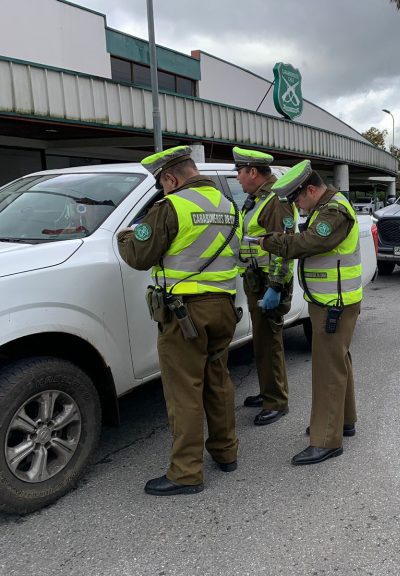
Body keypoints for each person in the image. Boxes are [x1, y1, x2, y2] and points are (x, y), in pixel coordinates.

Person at [117, 145, 241, 496]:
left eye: (161, 183)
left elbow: (139, 256)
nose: (162, 189)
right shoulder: (229, 206)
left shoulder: (171, 206)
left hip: (185, 314)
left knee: (184, 390)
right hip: (223, 308)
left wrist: (125, 235)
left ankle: (186, 473)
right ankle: (226, 452)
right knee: (218, 381)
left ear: (170, 177)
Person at [255, 160, 360, 465]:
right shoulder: (325, 206)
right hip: (333, 300)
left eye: (298, 198)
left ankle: (326, 439)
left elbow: (311, 241)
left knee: (327, 368)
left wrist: (270, 242)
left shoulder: (333, 211)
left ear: (311, 189)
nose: (296, 206)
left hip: (334, 302)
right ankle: (342, 420)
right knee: (337, 360)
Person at [233, 146, 298, 426]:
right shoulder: (256, 198)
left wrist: (275, 286)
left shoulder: (277, 200)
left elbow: (284, 247)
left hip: (269, 282)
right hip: (255, 279)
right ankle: (267, 391)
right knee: (261, 340)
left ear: (252, 172)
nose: (237, 178)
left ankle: (277, 401)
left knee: (270, 341)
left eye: (239, 172)